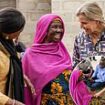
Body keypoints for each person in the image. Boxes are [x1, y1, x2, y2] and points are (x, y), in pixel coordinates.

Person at [22, 14, 73, 105]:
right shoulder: (30, 54)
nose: (59, 30)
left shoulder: (62, 49)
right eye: (54, 27)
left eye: (61, 27)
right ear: (44, 29)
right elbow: (27, 88)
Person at [0, 7, 34, 105]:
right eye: (19, 31)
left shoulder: (7, 46)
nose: (19, 35)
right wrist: (12, 102)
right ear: (9, 32)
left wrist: (20, 75)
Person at [72, 2, 105, 68]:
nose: (81, 26)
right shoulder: (79, 38)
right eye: (80, 23)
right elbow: (75, 64)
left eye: (84, 23)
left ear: (97, 21)